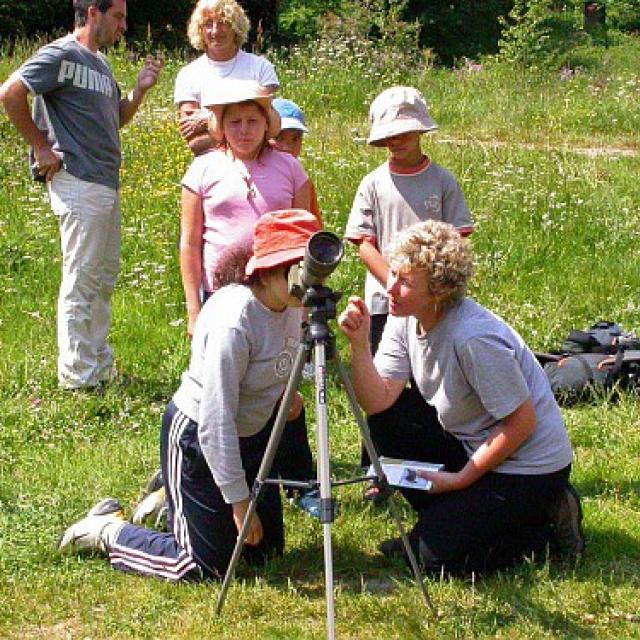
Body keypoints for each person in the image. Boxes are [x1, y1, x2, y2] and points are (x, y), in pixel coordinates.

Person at [57, 209, 322, 580]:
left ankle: (171, 502)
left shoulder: (294, 306)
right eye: (296, 269)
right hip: (201, 436)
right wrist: (240, 502)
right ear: (266, 269)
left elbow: (286, 360)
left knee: (264, 554)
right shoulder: (234, 321)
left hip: (251, 437)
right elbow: (216, 422)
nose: (306, 282)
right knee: (205, 567)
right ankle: (106, 530)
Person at [339, 220, 585, 575]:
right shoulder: (404, 314)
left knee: (432, 561)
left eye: (405, 281)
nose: (390, 286)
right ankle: (450, 521)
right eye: (393, 273)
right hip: (469, 442)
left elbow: (522, 422)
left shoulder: (473, 338)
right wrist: (359, 345)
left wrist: (461, 480)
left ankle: (545, 527)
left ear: (438, 291)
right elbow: (376, 401)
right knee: (387, 418)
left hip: (526, 466)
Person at [0, 0, 163, 390]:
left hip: (105, 182)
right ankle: (77, 376)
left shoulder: (102, 66)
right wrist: (40, 147)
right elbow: (10, 93)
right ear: (93, 12)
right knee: (83, 277)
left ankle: (97, 365)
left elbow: (115, 119)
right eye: (119, 16)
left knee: (102, 278)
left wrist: (139, 91)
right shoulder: (61, 54)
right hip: (77, 180)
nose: (124, 25)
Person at [344, 86, 474, 499]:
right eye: (387, 137)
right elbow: (363, 241)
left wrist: (431, 290)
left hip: (436, 303)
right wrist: (394, 283)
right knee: (382, 382)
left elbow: (459, 237)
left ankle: (431, 459)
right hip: (388, 303)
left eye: (403, 134)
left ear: (421, 132)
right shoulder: (373, 183)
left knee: (431, 383)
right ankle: (378, 468)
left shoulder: (442, 181)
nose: (395, 143)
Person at [175, 0, 278, 155]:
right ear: (200, 30)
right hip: (210, 165)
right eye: (208, 24)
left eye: (223, 22)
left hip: (259, 164)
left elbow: (269, 128)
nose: (215, 31)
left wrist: (207, 118)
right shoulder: (188, 74)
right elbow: (194, 140)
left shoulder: (261, 68)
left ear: (236, 27)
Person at [270, 97, 322, 224]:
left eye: (295, 139)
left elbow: (310, 226)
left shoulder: (301, 180)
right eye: (278, 138)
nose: (287, 147)